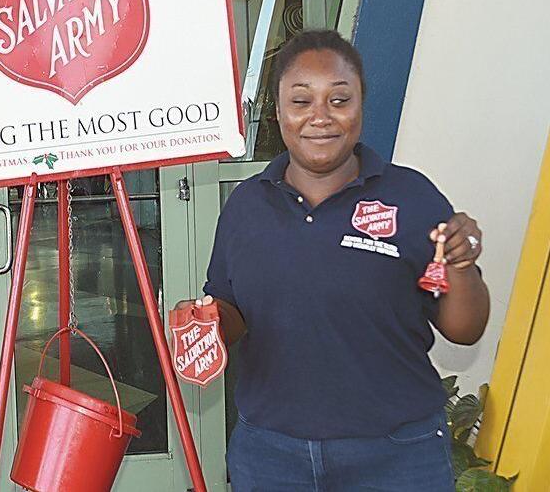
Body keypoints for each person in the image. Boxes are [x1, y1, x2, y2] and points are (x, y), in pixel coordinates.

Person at [187, 30, 490, 491]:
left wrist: (462, 267)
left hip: (397, 454)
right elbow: (232, 313)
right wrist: (202, 321)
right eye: (301, 101)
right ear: (278, 112)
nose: (320, 118)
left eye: (339, 100)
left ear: (361, 105)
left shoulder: (412, 197)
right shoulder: (246, 205)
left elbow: (464, 331)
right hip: (271, 455)